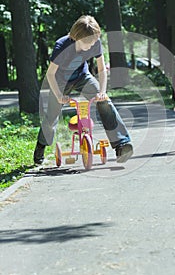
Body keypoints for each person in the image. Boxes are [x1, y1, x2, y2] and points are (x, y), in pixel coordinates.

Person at [34, 15, 133, 164]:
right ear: (77, 37)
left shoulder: (95, 42)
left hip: (82, 77)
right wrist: (59, 95)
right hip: (60, 81)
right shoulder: (62, 46)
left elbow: (101, 69)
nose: (92, 45)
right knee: (51, 116)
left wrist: (102, 91)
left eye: (94, 41)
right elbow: (50, 74)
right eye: (88, 43)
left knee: (105, 103)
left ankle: (122, 144)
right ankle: (41, 145)